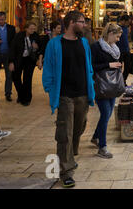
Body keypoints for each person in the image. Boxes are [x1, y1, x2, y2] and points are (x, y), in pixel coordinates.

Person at [42, 11, 95, 188]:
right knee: (65, 132)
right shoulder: (54, 44)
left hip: (82, 93)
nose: (84, 25)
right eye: (81, 22)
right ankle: (66, 170)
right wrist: (50, 89)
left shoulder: (84, 42)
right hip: (64, 94)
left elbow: (88, 66)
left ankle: (70, 156)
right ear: (71, 23)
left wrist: (91, 86)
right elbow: (48, 68)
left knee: (79, 127)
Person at [90, 23, 123, 158]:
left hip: (112, 85)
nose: (118, 39)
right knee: (105, 114)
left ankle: (96, 137)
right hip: (101, 85)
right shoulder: (96, 47)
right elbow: (92, 66)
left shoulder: (114, 48)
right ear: (109, 34)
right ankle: (102, 147)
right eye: (117, 36)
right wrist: (108, 65)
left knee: (108, 114)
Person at [9, 22, 41, 106]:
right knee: (16, 77)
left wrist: (36, 47)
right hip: (19, 59)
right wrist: (11, 62)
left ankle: (27, 99)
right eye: (31, 28)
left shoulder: (36, 36)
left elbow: (40, 48)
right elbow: (13, 48)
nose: (32, 30)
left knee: (27, 79)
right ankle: (21, 95)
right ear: (26, 28)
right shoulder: (19, 36)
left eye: (34, 29)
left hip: (30, 60)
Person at [116, 15, 133, 83]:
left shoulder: (126, 28)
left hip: (126, 50)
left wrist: (129, 48)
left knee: (128, 67)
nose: (128, 24)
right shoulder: (117, 28)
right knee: (119, 68)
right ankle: (119, 82)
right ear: (123, 21)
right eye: (127, 22)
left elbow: (126, 39)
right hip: (119, 51)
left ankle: (123, 80)